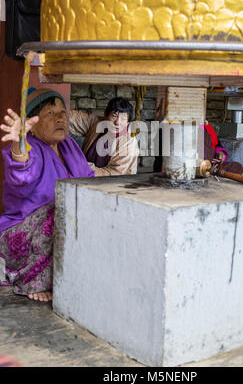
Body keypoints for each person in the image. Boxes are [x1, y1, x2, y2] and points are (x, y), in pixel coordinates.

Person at [0, 88, 94, 302]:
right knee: (59, 210)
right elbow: (20, 173)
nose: (60, 117)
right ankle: (33, 281)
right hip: (20, 233)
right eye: (50, 113)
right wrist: (18, 145)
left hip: (52, 232)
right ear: (31, 124)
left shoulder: (68, 145)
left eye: (62, 112)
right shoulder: (30, 147)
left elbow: (88, 179)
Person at [69, 97, 139, 176]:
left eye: (123, 118)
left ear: (127, 122)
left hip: (114, 184)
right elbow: (71, 118)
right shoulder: (96, 123)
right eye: (114, 116)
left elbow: (115, 173)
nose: (117, 122)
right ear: (106, 114)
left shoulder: (129, 142)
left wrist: (83, 166)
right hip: (85, 175)